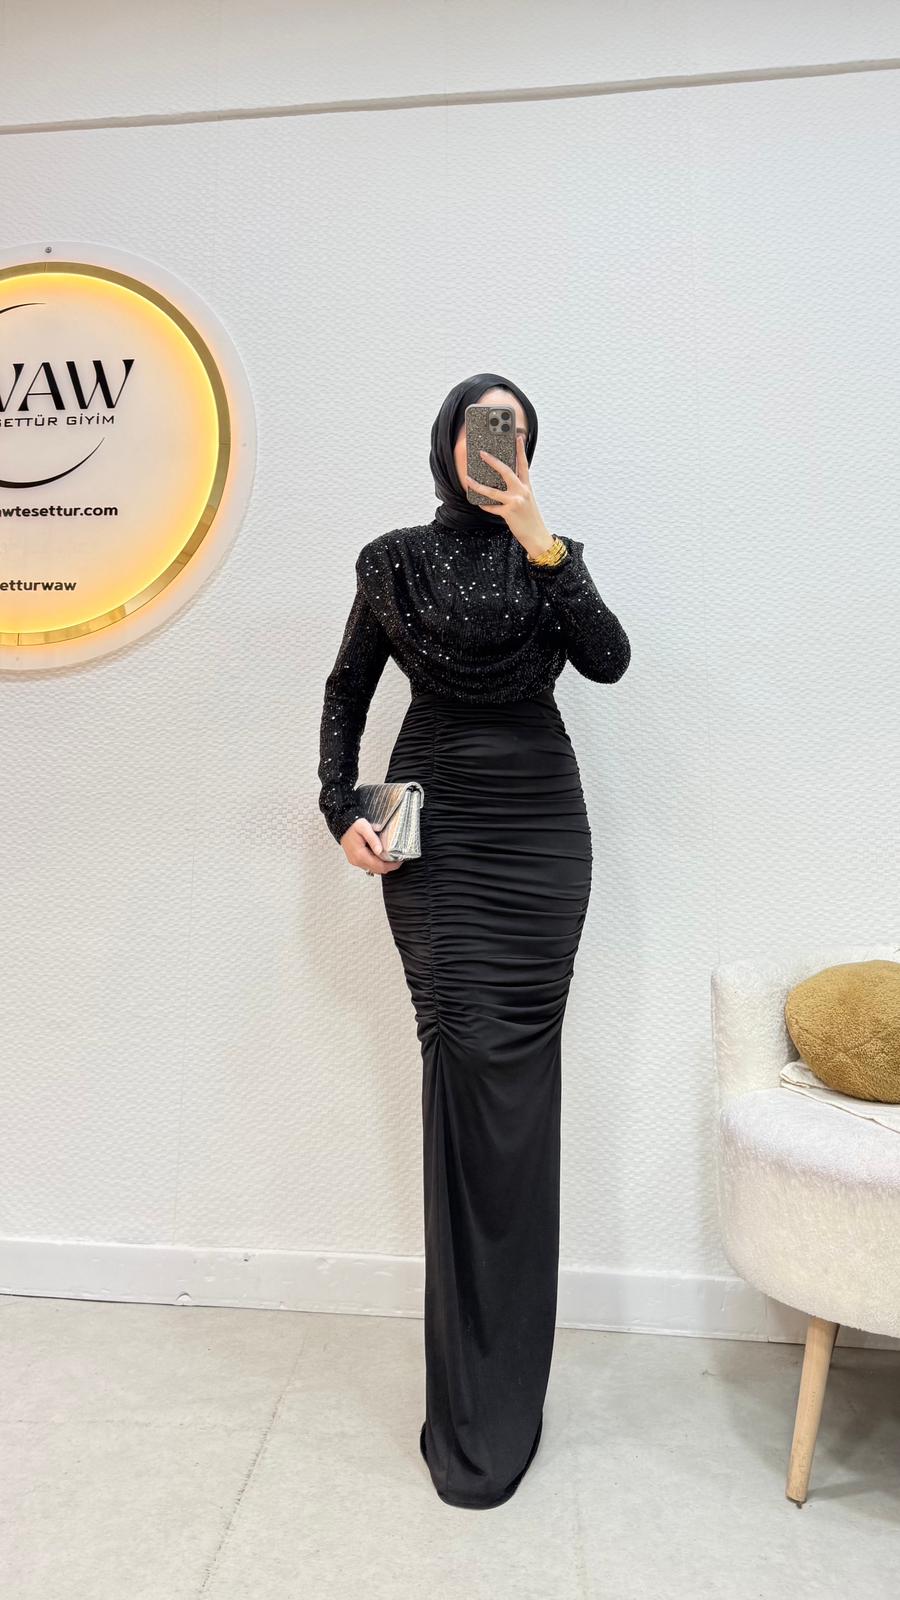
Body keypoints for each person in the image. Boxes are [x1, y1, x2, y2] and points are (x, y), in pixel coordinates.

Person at [317, 371, 631, 1508]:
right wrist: (340, 807)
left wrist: (544, 540)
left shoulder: (552, 556)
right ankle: (467, 1403)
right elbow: (347, 691)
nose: (496, 444)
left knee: (523, 1089)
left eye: (517, 431)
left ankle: (510, 1394)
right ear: (447, 438)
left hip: (540, 833)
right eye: (481, 426)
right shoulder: (391, 560)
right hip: (438, 829)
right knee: (459, 1071)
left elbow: (608, 659)